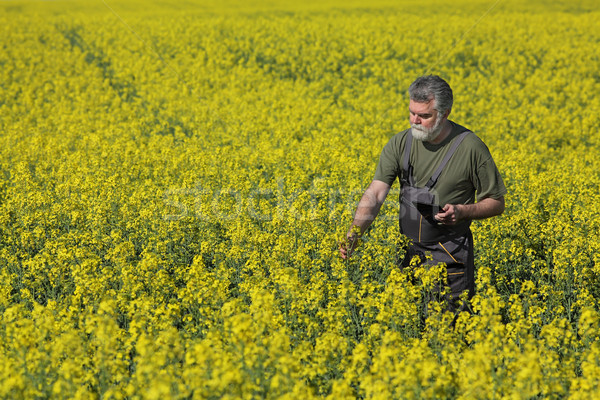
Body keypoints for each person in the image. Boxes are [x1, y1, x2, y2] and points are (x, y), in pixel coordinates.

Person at [339, 75, 506, 310]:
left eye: (425, 116)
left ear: (445, 113)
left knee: (449, 333)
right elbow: (376, 193)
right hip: (407, 254)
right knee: (405, 328)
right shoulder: (400, 143)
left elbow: (496, 202)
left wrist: (463, 211)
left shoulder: (470, 148)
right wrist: (354, 233)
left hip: (450, 256)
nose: (415, 121)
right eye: (412, 113)